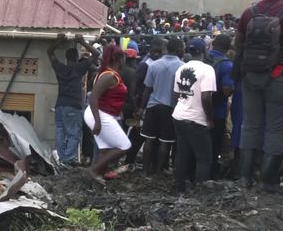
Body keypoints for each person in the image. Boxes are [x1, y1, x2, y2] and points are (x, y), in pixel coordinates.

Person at [234, 0, 283, 192]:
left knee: (250, 126)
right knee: (276, 129)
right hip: (282, 77)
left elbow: (239, 44)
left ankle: (244, 178)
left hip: (251, 77)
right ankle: (267, 181)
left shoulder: (249, 12)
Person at [172, 38, 217, 193]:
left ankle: (179, 188)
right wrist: (210, 119)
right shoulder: (207, 70)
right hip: (196, 119)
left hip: (179, 115)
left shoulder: (181, 69)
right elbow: (206, 97)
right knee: (204, 159)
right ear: (204, 51)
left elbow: (176, 94)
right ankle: (200, 192)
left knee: (182, 154)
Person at [49, 34, 101, 166]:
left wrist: (58, 41)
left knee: (60, 131)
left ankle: (62, 159)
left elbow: (49, 52)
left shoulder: (60, 68)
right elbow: (96, 54)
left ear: (66, 58)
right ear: (77, 58)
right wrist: (82, 42)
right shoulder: (79, 68)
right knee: (74, 134)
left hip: (59, 105)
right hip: (73, 106)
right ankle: (68, 159)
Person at [84, 43, 131, 183]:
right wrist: (98, 122)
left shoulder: (110, 73)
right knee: (125, 145)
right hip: (99, 114)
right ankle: (94, 170)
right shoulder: (109, 75)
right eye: (124, 58)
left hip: (103, 113)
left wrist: (118, 113)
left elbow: (110, 96)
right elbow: (93, 97)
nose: (125, 62)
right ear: (118, 59)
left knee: (106, 149)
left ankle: (98, 175)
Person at [138, 37, 185, 175]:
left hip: (152, 105)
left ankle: (145, 171)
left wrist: (142, 108)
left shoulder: (154, 65)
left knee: (149, 140)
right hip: (170, 107)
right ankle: (158, 172)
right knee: (165, 141)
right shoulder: (182, 67)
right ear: (179, 50)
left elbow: (147, 89)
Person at [206, 34, 235, 178]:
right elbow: (227, 90)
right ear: (228, 48)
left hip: (195, 109)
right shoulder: (227, 65)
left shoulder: (201, 58)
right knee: (214, 143)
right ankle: (211, 173)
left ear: (213, 43)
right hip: (217, 111)